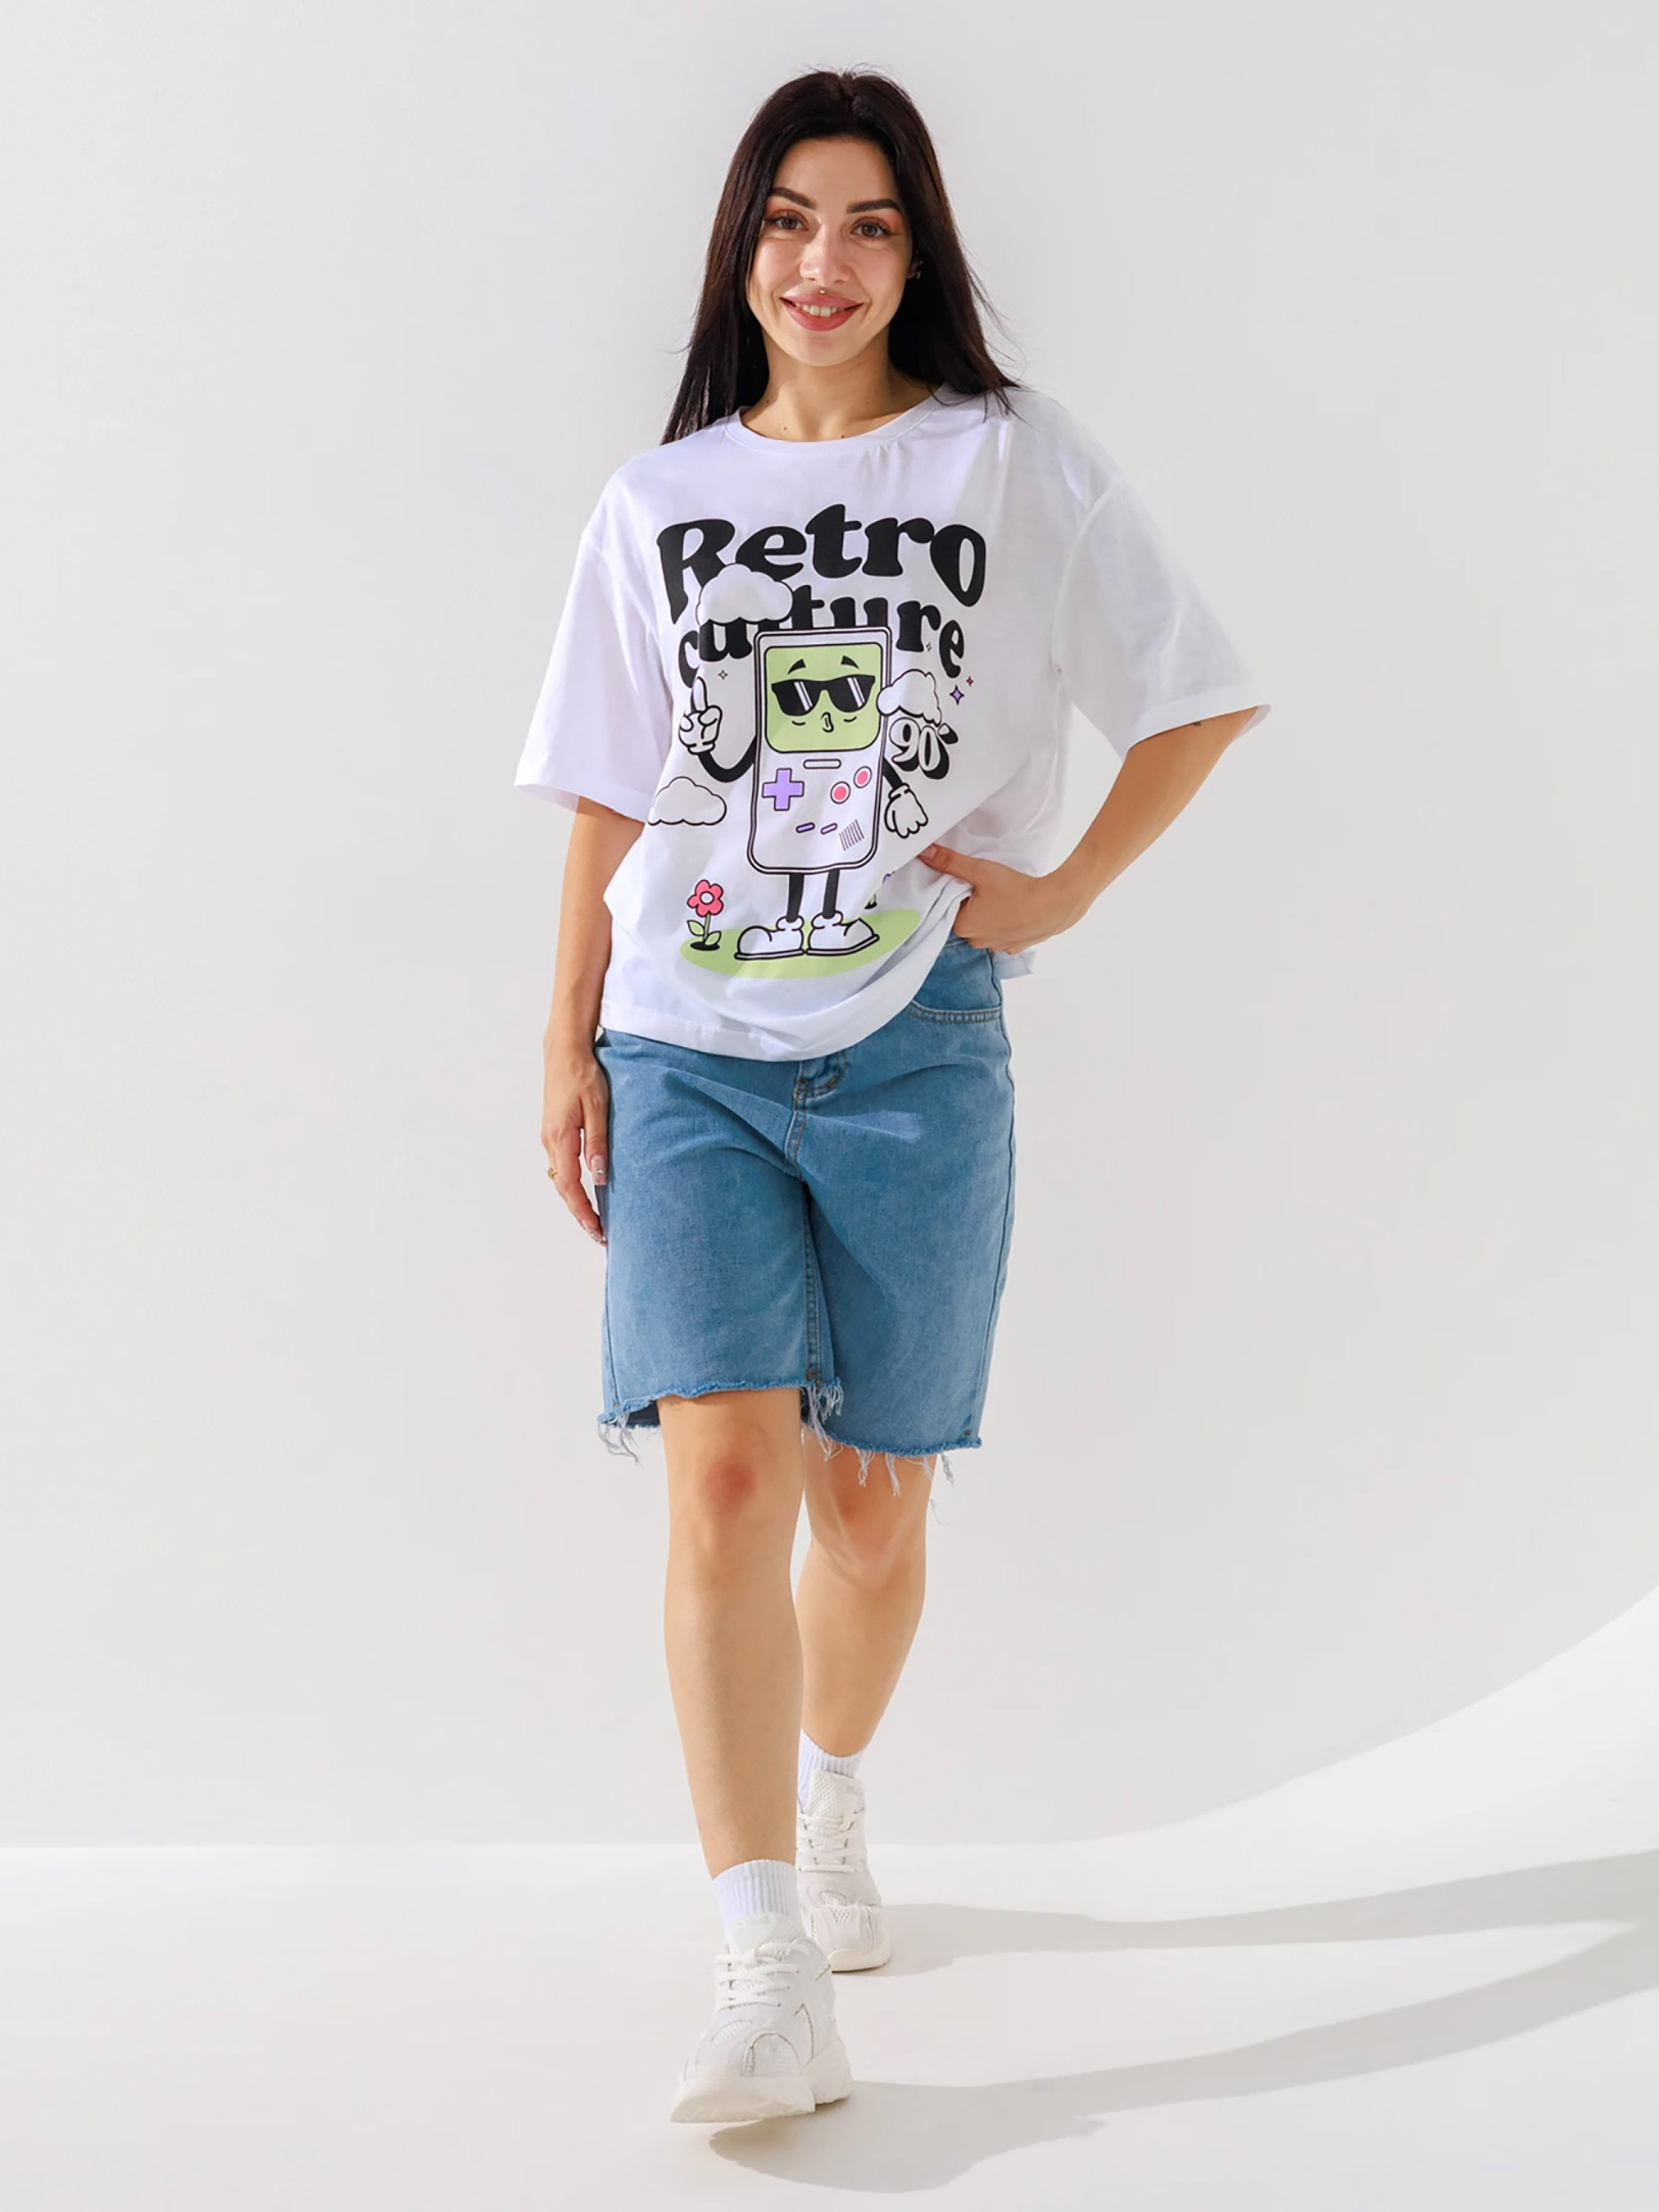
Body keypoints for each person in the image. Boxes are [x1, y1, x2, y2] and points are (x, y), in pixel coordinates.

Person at [515, 68, 1270, 2126]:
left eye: (862, 224)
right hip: (686, 1038)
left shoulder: (1006, 460)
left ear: (914, 251)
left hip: (917, 1036)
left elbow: (1193, 692)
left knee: (867, 1506)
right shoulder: (655, 503)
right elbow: (605, 790)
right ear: (738, 251)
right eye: (784, 221)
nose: (819, 263)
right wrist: (566, 1036)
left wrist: (1066, 886)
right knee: (724, 1483)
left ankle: (829, 1794)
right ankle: (762, 1957)